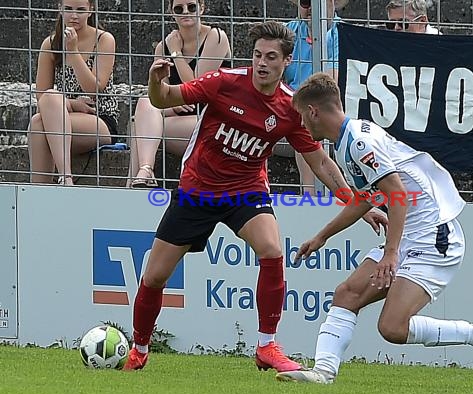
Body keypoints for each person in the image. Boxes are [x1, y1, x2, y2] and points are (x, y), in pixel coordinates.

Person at [123, 21, 385, 372]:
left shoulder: (291, 108)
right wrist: (157, 81)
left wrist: (359, 205)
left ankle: (266, 346)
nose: (262, 62)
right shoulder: (224, 83)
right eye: (258, 55)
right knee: (155, 276)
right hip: (197, 189)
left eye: (271, 57)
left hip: (246, 191)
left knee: (272, 250)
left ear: (286, 61)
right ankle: (139, 347)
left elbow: (320, 161)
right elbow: (164, 99)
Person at [275, 73, 473, 383]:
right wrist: (322, 236)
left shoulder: (359, 142)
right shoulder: (349, 140)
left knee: (393, 328)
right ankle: (323, 372)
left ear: (313, 112)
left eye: (302, 117)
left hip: (434, 237)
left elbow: (397, 194)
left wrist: (391, 252)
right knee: (346, 294)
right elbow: (367, 197)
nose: (303, 125)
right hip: (412, 235)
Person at [128, 0, 232, 188]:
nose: (186, 12)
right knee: (144, 104)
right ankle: (145, 170)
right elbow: (158, 97)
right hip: (181, 117)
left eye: (191, 6)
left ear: (202, 7)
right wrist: (173, 102)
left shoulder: (216, 37)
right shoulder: (162, 47)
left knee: (140, 130)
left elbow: (197, 87)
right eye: (179, 8)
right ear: (171, 12)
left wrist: (176, 53)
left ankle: (132, 186)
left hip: (212, 118)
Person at [28, 0, 118, 185]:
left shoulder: (104, 39)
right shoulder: (50, 43)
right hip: (61, 114)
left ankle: (64, 178)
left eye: (80, 10)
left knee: (40, 120)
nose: (74, 16)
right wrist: (71, 104)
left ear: (91, 10)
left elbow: (94, 89)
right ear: (60, 9)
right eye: (68, 9)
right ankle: (42, 188)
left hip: (98, 117)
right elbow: (41, 96)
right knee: (38, 120)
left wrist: (73, 51)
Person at [273, 0, 348, 195]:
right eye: (304, 2)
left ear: (331, 3)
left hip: (323, 113)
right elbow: (268, 82)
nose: (308, 9)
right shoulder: (288, 32)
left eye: (314, 3)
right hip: (291, 110)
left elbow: (328, 88)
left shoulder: (342, 34)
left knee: (308, 118)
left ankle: (310, 197)